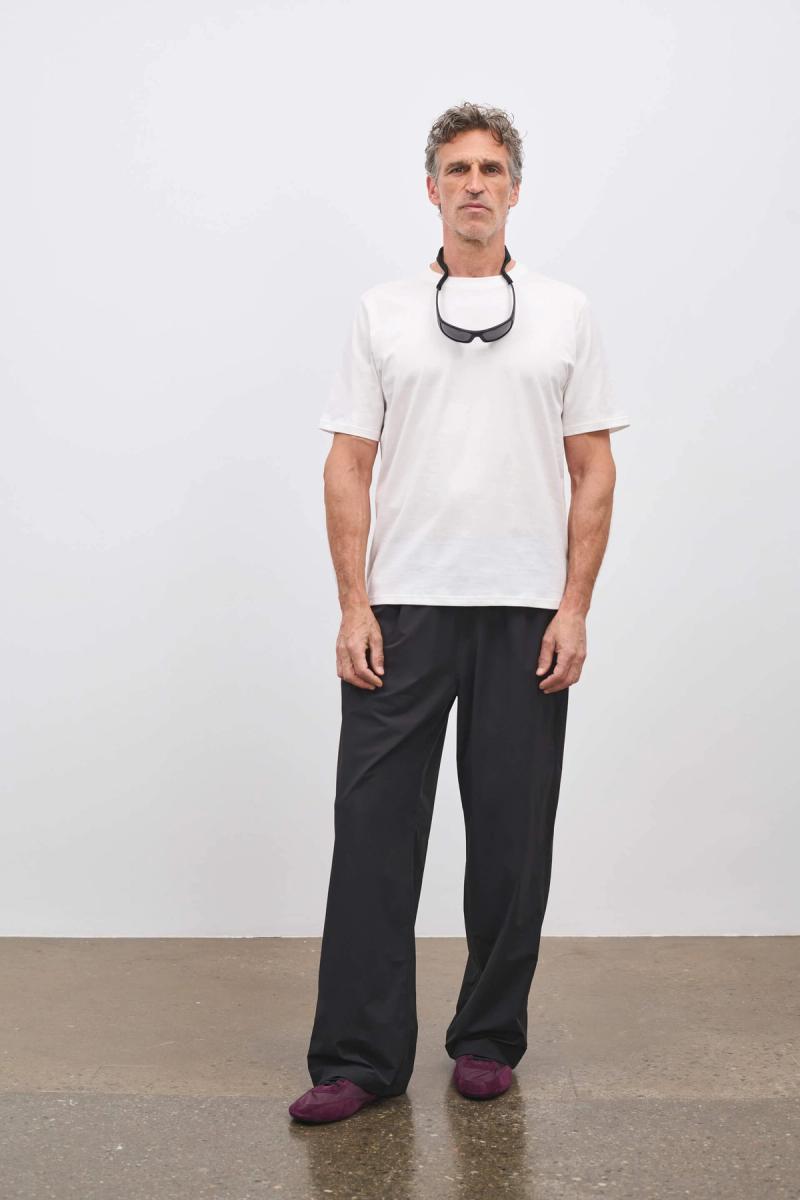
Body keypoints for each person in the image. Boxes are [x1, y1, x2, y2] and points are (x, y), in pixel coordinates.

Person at [289, 101, 631, 1124]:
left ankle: (487, 1038)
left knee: (512, 838)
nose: (473, 183)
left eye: (490, 169)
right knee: (373, 833)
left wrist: (574, 607)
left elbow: (594, 469)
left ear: (514, 190)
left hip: (524, 611)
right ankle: (358, 1058)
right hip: (404, 609)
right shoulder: (383, 313)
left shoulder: (564, 312)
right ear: (431, 189)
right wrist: (353, 603)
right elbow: (347, 465)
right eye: (456, 168)